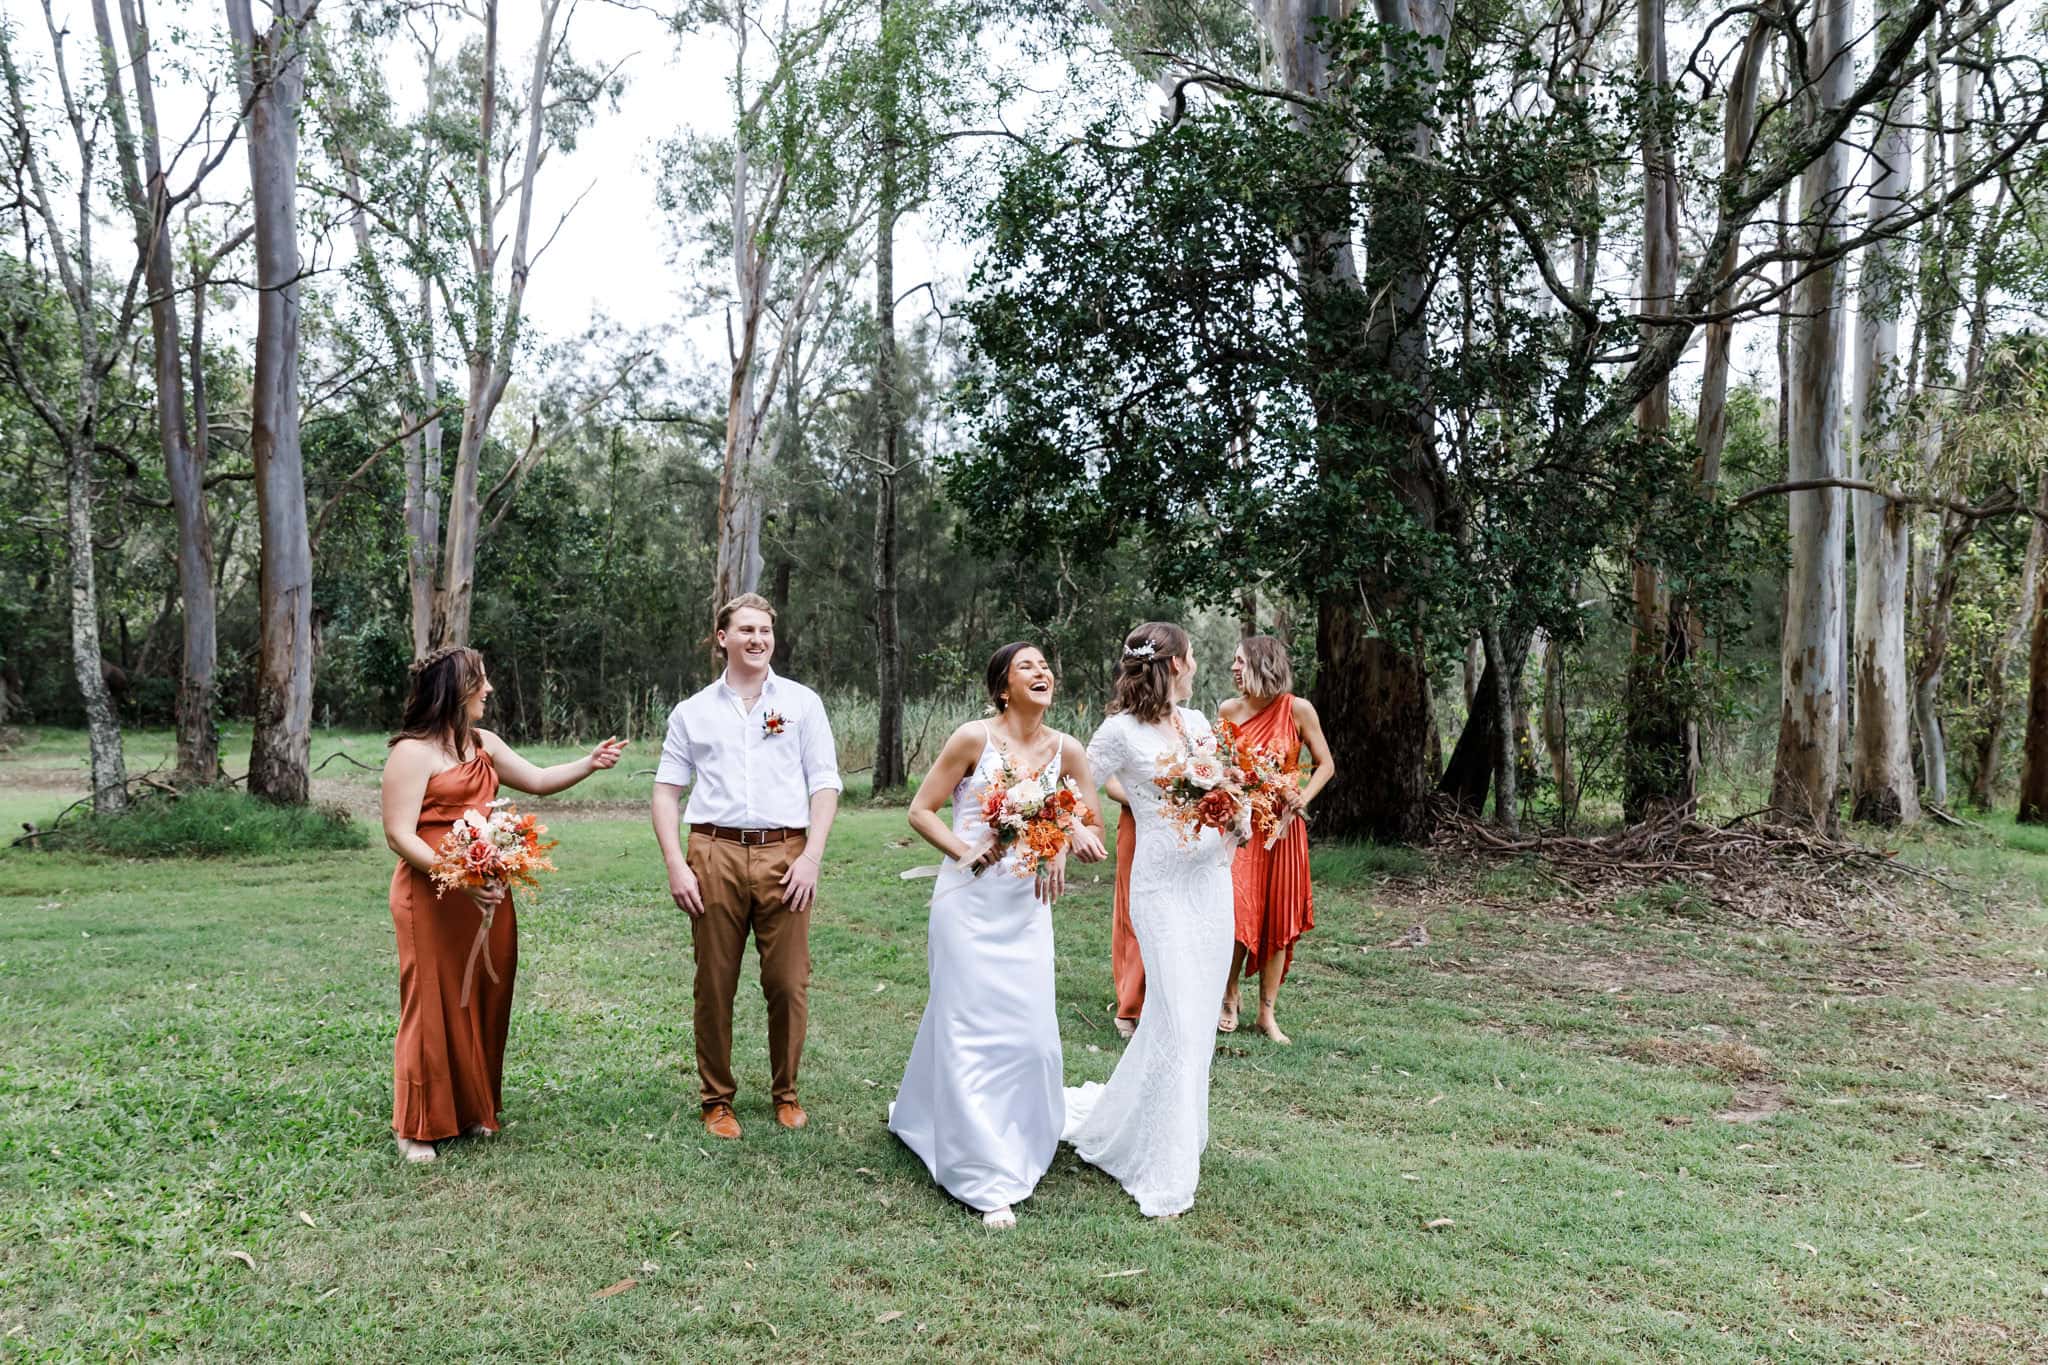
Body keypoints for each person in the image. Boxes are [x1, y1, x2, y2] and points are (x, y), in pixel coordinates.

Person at [889, 643, 1107, 1228]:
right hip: (967, 904)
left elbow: (1090, 823)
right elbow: (921, 811)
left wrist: (1064, 840)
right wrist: (968, 852)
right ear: (1002, 687)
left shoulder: (1069, 750)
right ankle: (981, 1173)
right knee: (966, 1028)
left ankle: (993, 1127)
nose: (1043, 673)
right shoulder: (971, 739)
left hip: (1027, 908)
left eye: (1046, 665)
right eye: (1027, 666)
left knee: (1031, 1035)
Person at [381, 646, 625, 1163]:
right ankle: (418, 1126)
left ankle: (471, 1110)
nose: (489, 690)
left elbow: (537, 780)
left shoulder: (484, 745)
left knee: (482, 998)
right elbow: (399, 834)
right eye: (481, 682)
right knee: (430, 1002)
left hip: (486, 894)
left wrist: (590, 762)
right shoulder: (411, 753)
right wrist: (456, 876)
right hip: (432, 894)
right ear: (456, 689)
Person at [651, 593, 841, 1140]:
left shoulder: (802, 703)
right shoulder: (692, 712)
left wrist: (811, 857)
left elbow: (825, 783)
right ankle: (717, 1100)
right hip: (713, 853)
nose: (758, 639)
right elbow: (666, 793)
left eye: (766, 630)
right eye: (747, 630)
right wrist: (675, 865)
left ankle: (786, 1093)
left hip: (787, 854)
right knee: (714, 982)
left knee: (787, 982)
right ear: (722, 638)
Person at [1062, 622, 1236, 1219]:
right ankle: (1165, 1168)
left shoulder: (1198, 726)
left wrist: (1239, 816)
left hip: (1211, 883)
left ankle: (1166, 1130)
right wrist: (1084, 823)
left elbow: (1222, 792)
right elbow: (1071, 781)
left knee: (1189, 1022)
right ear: (1176, 664)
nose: (1193, 667)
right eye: (1189, 658)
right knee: (1183, 1018)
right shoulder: (1119, 732)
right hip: (1160, 888)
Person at [1218, 635, 1336, 1044]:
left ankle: (1267, 1014)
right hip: (1242, 828)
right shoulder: (1228, 710)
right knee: (1237, 912)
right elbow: (1220, 765)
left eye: (1239, 661)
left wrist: (1300, 795)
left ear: (1260, 663)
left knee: (1278, 919)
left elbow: (1326, 764)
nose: (1233, 668)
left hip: (1283, 831)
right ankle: (1229, 994)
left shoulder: (1297, 709)